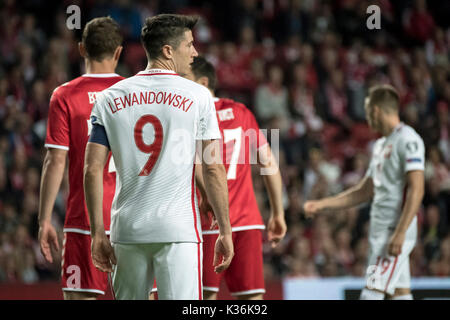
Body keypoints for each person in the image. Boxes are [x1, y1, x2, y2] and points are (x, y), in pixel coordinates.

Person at [83, 14, 233, 300]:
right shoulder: (199, 97)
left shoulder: (109, 98)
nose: (195, 52)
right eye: (189, 45)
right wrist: (225, 230)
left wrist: (97, 234)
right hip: (178, 230)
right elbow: (212, 167)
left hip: (126, 230)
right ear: (168, 50)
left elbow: (92, 170)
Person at [304, 84, 425, 300]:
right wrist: (323, 204)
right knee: (399, 294)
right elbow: (364, 191)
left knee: (371, 294)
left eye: (369, 112)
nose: (367, 118)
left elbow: (417, 188)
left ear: (377, 111)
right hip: (381, 228)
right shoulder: (379, 146)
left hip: (394, 228)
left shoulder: (408, 139)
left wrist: (400, 232)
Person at [38, 17, 124, 300]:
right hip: (131, 217)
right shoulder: (135, 94)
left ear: (82, 49)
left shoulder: (64, 95)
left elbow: (55, 160)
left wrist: (44, 219)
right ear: (118, 52)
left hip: (85, 219)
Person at [189, 56, 286, 300]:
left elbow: (198, 166)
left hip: (208, 222)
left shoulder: (189, 116)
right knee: (251, 299)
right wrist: (278, 213)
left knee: (204, 298)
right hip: (247, 223)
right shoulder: (242, 112)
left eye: (185, 80)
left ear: (202, 82)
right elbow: (268, 163)